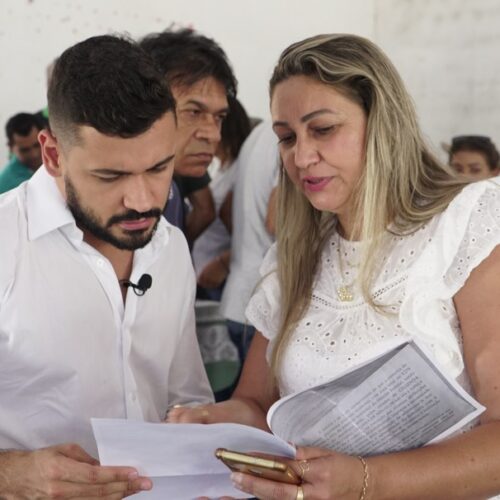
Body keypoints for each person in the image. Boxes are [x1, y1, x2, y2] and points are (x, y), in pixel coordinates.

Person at [169, 33, 500, 500]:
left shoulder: (468, 225)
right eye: (286, 138)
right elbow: (258, 403)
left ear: (382, 124)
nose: (301, 157)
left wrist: (365, 481)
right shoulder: (293, 258)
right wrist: (221, 420)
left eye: (322, 129)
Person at [0, 35, 213, 499]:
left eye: (159, 169)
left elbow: (185, 396)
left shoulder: (172, 247)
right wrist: (14, 475)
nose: (142, 201)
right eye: (110, 176)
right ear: (53, 155)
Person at [140, 28, 237, 245]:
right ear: (144, 106)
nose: (213, 135)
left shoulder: (170, 193)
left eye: (219, 117)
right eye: (194, 112)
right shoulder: (101, 203)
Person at [219, 120, 280, 364]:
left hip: (238, 295)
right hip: (262, 305)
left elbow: (225, 209)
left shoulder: (259, 133)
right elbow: (276, 222)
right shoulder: (287, 139)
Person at [192, 96, 252, 300]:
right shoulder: (223, 170)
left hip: (217, 277)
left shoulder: (239, 170)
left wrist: (223, 264)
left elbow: (245, 233)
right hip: (204, 272)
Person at [0, 112, 44, 193]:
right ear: (10, 148)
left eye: (37, 145)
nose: (34, 154)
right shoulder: (5, 187)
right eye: (25, 150)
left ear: (46, 137)